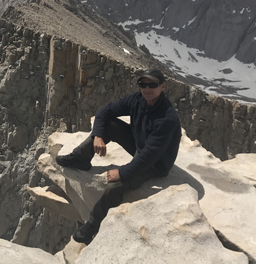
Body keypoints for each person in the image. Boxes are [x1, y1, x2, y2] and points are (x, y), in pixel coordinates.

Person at [56, 68, 182, 244]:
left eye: (152, 85)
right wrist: (98, 135)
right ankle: (80, 158)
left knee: (115, 185)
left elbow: (149, 156)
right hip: (140, 145)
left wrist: (121, 173)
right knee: (108, 125)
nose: (147, 88)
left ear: (163, 86)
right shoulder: (137, 100)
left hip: (156, 163)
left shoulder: (166, 118)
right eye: (142, 84)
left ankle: (93, 225)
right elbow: (105, 112)